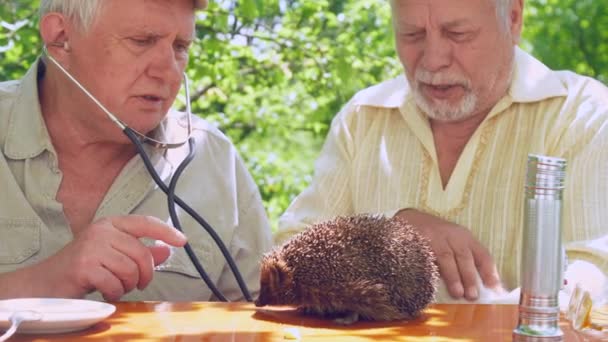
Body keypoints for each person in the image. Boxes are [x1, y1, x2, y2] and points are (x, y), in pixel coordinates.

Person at [276, 0, 608, 303]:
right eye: (412, 34)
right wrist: (385, 236)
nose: (433, 60)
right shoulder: (363, 119)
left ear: (513, 18)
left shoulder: (582, 115)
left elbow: (592, 279)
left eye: (458, 33)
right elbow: (284, 266)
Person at [0, 0, 272, 302]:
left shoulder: (214, 160)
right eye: (142, 41)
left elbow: (262, 321)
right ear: (61, 37)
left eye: (180, 47)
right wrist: (47, 281)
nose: (168, 72)